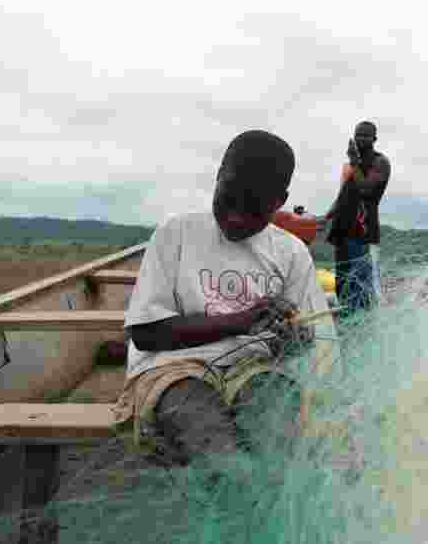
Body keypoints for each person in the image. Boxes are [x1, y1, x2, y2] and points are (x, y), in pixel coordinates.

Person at [112, 130, 329, 468]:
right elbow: (145, 333)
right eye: (227, 200)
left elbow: (305, 344)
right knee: (218, 454)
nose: (236, 217)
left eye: (254, 210)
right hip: (172, 369)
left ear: (280, 202)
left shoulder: (291, 253)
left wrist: (293, 338)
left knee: (277, 438)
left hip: (257, 367)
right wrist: (241, 320)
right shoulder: (176, 234)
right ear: (218, 177)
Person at [324, 121, 390, 317]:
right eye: (358, 135)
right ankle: (345, 324)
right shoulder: (351, 164)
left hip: (362, 232)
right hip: (342, 229)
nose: (361, 139)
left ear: (374, 139)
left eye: (365, 135)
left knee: (361, 284)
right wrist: (325, 218)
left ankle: (364, 326)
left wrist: (354, 162)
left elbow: (366, 189)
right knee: (343, 282)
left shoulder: (380, 162)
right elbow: (344, 194)